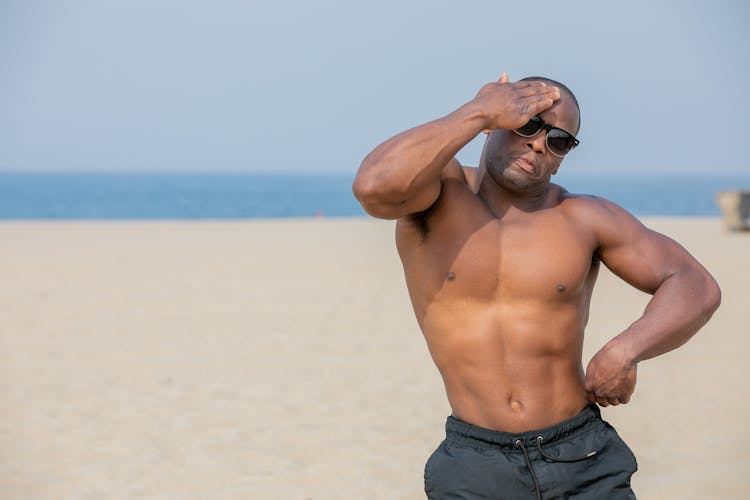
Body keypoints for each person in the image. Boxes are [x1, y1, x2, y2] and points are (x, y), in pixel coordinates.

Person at [352, 72, 721, 499]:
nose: (538, 143)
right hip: (475, 465)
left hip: (582, 458)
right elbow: (374, 188)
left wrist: (626, 349)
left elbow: (694, 284)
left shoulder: (583, 216)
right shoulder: (439, 192)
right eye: (528, 124)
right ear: (497, 123)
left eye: (559, 140)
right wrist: (478, 111)